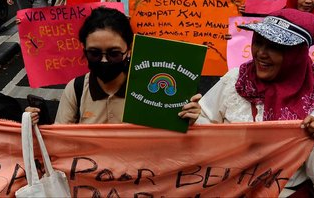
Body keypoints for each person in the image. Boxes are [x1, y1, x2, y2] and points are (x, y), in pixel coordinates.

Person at [193, 9, 314, 197]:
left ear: (296, 55)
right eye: (258, 43)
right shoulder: (235, 81)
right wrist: (192, 120)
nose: (261, 53)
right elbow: (204, 123)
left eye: (275, 47)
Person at [25, 7, 201, 124]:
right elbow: (60, 142)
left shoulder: (151, 88)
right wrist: (35, 126)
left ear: (129, 50)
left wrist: (191, 121)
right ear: (84, 49)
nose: (103, 60)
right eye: (94, 53)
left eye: (114, 54)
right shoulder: (76, 89)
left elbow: (170, 144)